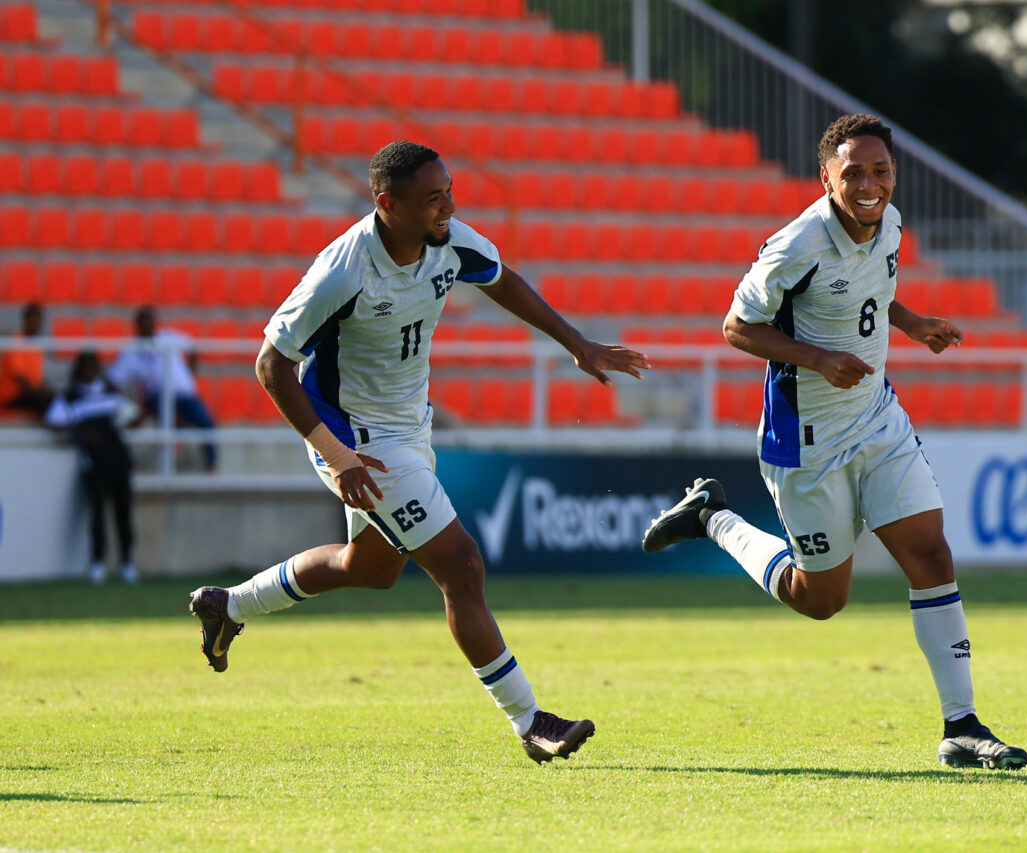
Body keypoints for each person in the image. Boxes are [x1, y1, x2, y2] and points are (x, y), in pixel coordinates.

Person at [187, 141, 650, 764]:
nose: (449, 207)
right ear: (388, 204)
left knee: (369, 568)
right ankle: (529, 720)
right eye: (433, 199)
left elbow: (500, 278)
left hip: (409, 430)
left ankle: (227, 605)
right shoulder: (344, 271)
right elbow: (272, 366)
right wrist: (336, 452)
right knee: (460, 566)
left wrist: (577, 343)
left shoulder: (449, 239)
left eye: (449, 191)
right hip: (357, 443)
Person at [641, 114, 1027, 771]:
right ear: (826, 178)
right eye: (853, 173)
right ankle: (712, 516)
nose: (869, 184)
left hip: (877, 419)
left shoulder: (893, 222)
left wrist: (911, 324)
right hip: (806, 439)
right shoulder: (798, 244)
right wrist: (818, 358)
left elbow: (876, 289)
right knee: (820, 599)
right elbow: (737, 326)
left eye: (880, 171)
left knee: (930, 553)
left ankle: (961, 725)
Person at [45, 351, 140, 585]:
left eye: (94, 367)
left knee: (123, 511)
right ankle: (97, 563)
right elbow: (54, 421)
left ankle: (127, 562)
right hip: (95, 462)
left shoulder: (109, 391)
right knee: (97, 512)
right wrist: (80, 432)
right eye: (86, 367)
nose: (91, 372)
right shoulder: (71, 396)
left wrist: (129, 416)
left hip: (118, 458)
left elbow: (133, 416)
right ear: (78, 370)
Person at [108, 305, 218, 471]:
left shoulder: (167, 337)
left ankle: (211, 465)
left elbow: (191, 346)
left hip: (185, 395)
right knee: (155, 418)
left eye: (150, 321)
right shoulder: (131, 350)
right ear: (137, 324)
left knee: (207, 423)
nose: (148, 326)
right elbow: (114, 378)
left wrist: (191, 372)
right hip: (157, 396)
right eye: (144, 322)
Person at [0, 301, 55, 418]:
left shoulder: (37, 346)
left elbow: (36, 379)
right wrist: (38, 393)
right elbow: (19, 378)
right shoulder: (15, 341)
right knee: (46, 402)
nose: (36, 323)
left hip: (29, 393)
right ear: (26, 319)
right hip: (12, 396)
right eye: (34, 319)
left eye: (39, 319)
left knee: (56, 399)